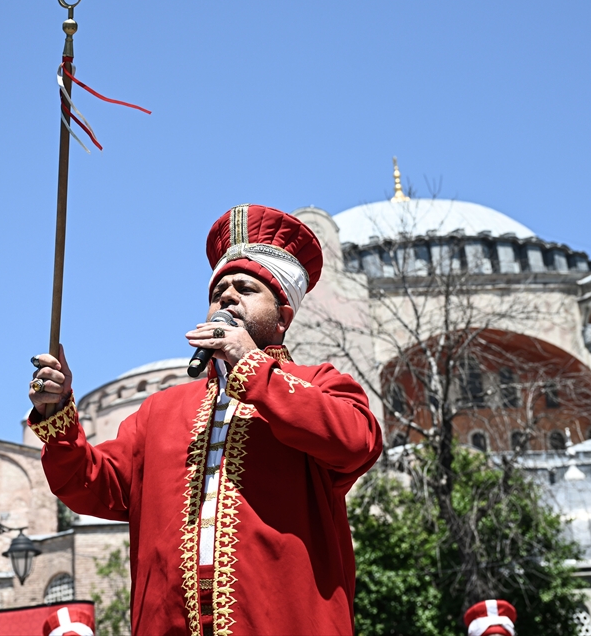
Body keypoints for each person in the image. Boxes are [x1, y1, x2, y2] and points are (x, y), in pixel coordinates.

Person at [28, 204, 384, 636]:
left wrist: (251, 366)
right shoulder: (159, 412)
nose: (227, 297)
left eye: (246, 289)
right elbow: (92, 485)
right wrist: (59, 415)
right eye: (219, 291)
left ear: (283, 317)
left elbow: (356, 441)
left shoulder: (321, 384)